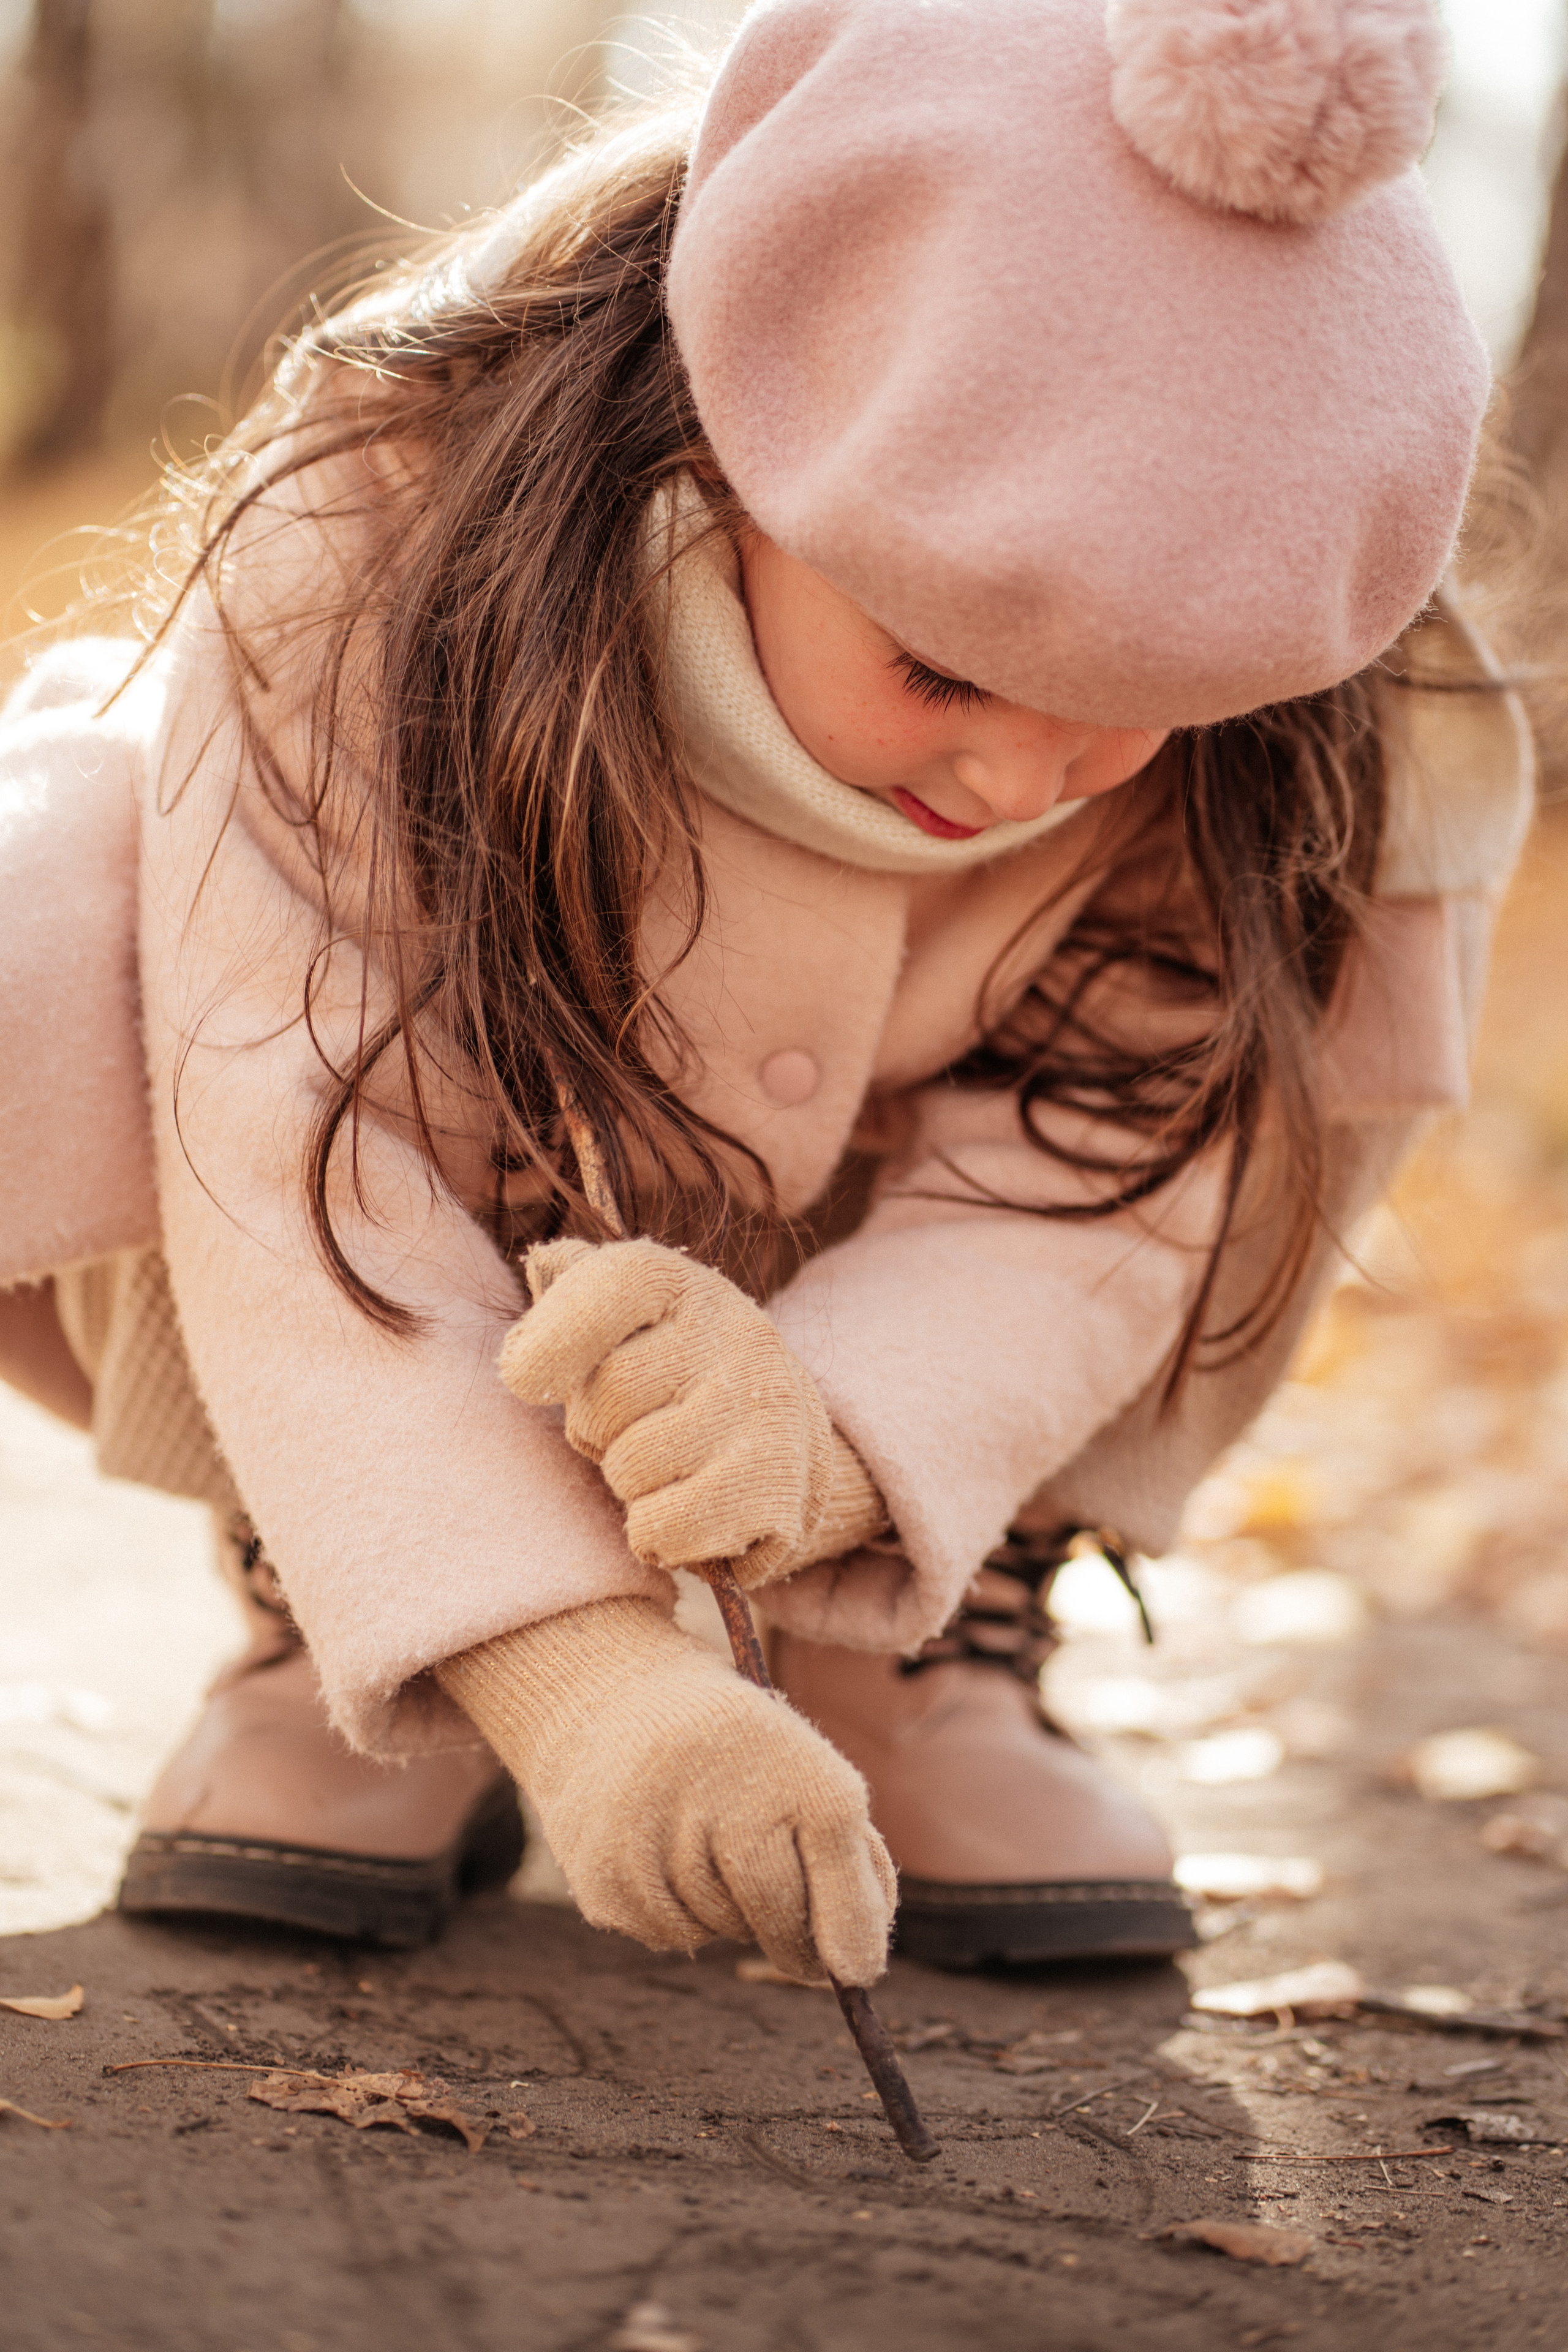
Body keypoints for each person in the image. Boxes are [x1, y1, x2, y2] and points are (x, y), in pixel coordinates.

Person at [0, 0, 1532, 1980]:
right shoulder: (381, 530)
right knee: (70, 887)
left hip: (889, 1324)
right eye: (949, 671)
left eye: (1133, 718)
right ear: (732, 448)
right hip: (447, 1211)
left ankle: (906, 1627)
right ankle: (375, 1607)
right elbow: (297, 1113)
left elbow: (1107, 1166)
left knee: (1364, 905)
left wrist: (837, 1444)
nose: (1017, 783)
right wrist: (583, 1687)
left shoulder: (1254, 740)